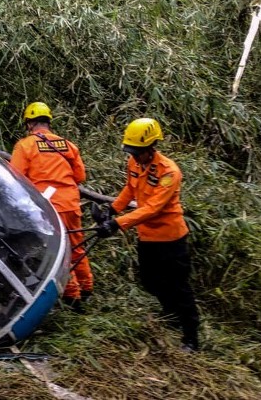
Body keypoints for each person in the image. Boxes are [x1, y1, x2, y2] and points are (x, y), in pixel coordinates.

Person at [96, 118, 200, 351]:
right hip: (148, 238)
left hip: (171, 240)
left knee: (179, 287)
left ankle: (191, 336)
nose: (134, 156)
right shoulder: (134, 163)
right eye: (131, 152)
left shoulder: (169, 172)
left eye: (138, 152)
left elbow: (153, 208)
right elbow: (129, 189)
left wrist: (116, 224)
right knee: (150, 281)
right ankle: (170, 313)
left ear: (151, 147)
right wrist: (111, 209)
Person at [10, 102, 92, 311]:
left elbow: (15, 177)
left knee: (60, 250)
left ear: (29, 123)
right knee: (76, 246)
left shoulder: (25, 146)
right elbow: (80, 176)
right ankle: (87, 286)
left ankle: (73, 297)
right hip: (71, 203)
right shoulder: (68, 145)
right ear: (48, 122)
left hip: (50, 207)